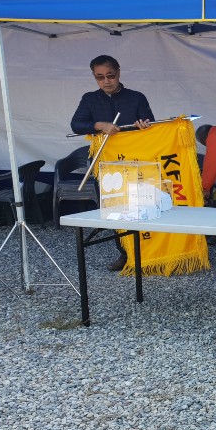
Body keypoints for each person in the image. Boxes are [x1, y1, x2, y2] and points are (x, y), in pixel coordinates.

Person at [70, 55, 155, 271]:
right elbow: (76, 124)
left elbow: (151, 123)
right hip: (107, 163)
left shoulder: (136, 97)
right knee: (114, 207)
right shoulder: (89, 99)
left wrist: (143, 125)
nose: (106, 81)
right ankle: (125, 253)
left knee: (142, 204)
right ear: (94, 77)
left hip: (136, 160)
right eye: (100, 77)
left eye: (110, 75)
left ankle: (149, 252)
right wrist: (99, 124)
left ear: (119, 72)